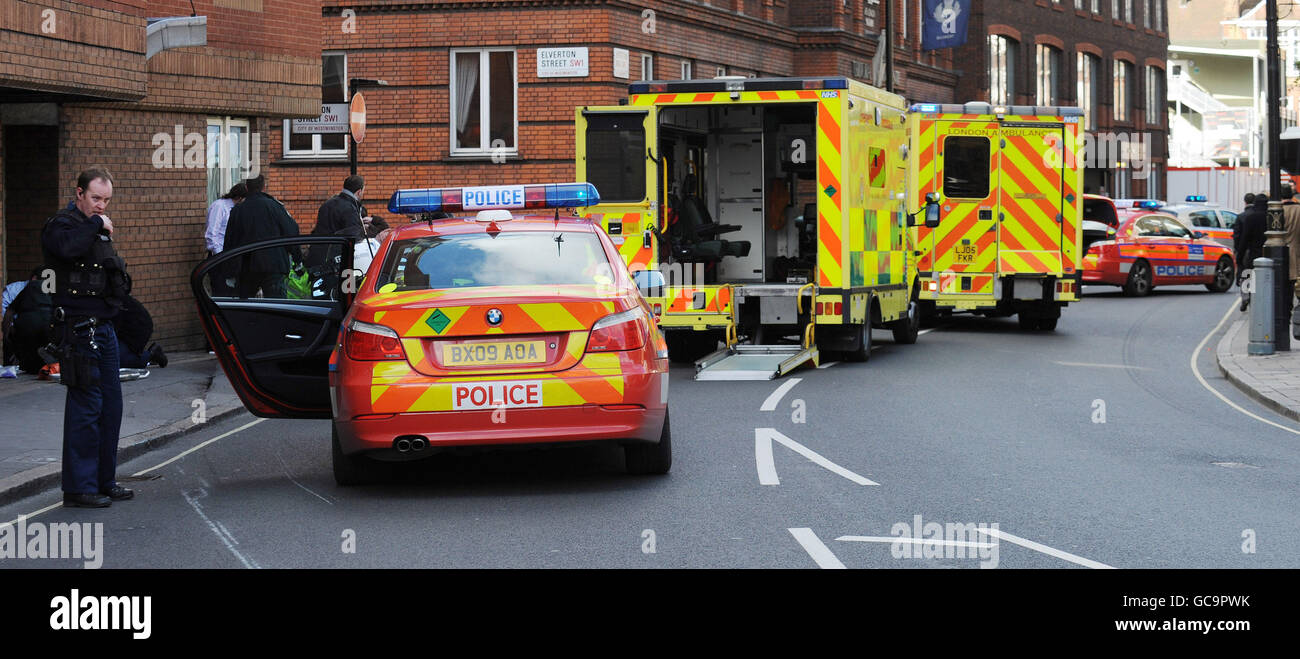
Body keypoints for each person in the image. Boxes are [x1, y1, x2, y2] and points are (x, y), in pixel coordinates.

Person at [41, 167, 133, 508]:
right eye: (96, 198)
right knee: (86, 407)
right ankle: (79, 488)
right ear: (78, 193)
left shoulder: (98, 230)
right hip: (78, 330)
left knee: (111, 406)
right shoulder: (61, 226)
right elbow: (66, 249)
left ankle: (103, 480)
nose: (101, 206)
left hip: (104, 328)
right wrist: (97, 225)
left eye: (106, 200)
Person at [222, 175, 299, 298]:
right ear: (264, 187)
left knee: (247, 307)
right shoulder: (275, 207)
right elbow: (292, 231)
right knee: (277, 308)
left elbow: (231, 240)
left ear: (246, 188)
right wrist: (297, 258)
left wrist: (229, 271)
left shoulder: (238, 210)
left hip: (248, 266)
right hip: (274, 265)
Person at [2, 268, 52, 374]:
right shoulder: (48, 288)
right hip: (45, 328)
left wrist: (6, 336)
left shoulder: (29, 288)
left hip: (25, 327)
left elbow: (9, 312)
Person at [204, 182, 246, 297]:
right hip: (220, 256)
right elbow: (211, 234)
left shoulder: (237, 210)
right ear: (240, 198)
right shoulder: (220, 206)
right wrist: (220, 257)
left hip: (232, 257)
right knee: (221, 292)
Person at [115, 295, 166, 370]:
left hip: (137, 330)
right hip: (132, 328)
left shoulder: (113, 300)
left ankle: (150, 356)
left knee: (114, 359)